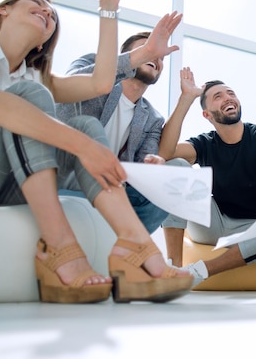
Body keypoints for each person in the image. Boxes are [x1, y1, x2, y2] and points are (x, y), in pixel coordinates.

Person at [0, 0, 192, 304]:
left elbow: (100, 83)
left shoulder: (37, 76)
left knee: (83, 125)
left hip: (10, 182)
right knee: (35, 99)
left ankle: (136, 247)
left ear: (43, 42)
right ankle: (62, 248)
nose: (46, 12)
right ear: (3, 9)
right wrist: (86, 149)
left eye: (51, 15)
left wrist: (110, 7)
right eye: (36, 4)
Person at [148, 67, 256, 285]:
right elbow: (164, 154)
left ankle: (197, 272)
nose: (228, 98)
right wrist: (186, 99)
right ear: (207, 114)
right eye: (218, 96)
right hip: (215, 225)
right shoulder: (205, 143)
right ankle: (173, 267)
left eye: (231, 93)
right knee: (175, 165)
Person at [57, 22, 190, 234]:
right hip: (69, 181)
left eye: (160, 57)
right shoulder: (93, 64)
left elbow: (143, 167)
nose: (156, 57)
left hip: (114, 194)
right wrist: (133, 59)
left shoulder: (153, 118)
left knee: (180, 169)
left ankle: (127, 243)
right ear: (127, 57)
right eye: (148, 50)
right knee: (90, 129)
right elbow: (66, 88)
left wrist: (153, 165)